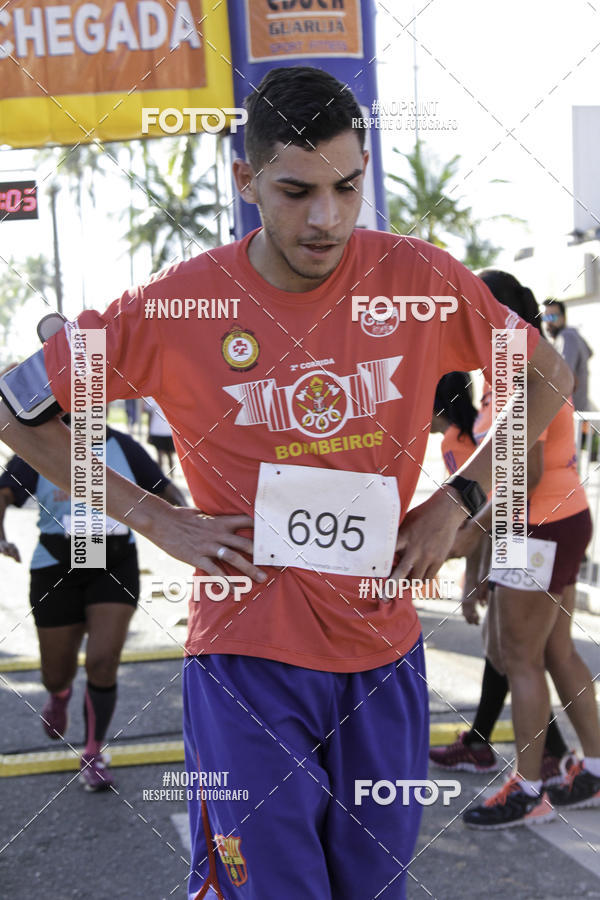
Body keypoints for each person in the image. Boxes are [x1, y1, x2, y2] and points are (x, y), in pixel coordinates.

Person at [0, 67, 573, 897]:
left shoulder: (418, 278)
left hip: (383, 655)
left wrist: (460, 501)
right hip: (246, 661)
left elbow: (546, 378)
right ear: (247, 181)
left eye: (347, 188)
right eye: (297, 190)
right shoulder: (174, 306)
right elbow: (18, 413)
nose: (327, 218)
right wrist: (159, 519)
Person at [450, 271, 600, 829]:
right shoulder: (510, 366)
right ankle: (595, 769)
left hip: (537, 525)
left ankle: (529, 787)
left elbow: (524, 472)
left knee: (521, 658)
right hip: (554, 521)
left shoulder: (515, 369)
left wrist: (474, 531)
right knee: (556, 652)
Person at [0, 417, 186, 791]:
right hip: (56, 565)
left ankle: (93, 751)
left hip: (113, 562)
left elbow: (167, 491)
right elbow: (5, 492)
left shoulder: (122, 446)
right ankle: (60, 693)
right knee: (56, 672)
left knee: (103, 661)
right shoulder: (44, 444)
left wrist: (186, 525)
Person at [429, 372, 571, 783]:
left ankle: (543, 758)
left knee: (513, 654)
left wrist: (473, 581)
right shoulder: (472, 428)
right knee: (508, 652)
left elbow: (480, 514)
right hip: (513, 536)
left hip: (515, 537)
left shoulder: (459, 440)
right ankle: (489, 744)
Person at [543, 298, 593, 411]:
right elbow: (589, 352)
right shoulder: (572, 335)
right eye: (545, 317)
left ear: (564, 318)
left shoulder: (567, 337)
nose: (548, 322)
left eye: (552, 317)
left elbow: (562, 378)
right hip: (579, 415)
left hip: (573, 417)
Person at [144, 396, 176, 471]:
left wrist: (148, 432)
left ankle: (164, 476)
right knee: (168, 455)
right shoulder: (170, 396)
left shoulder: (152, 397)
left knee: (161, 455)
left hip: (160, 430)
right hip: (164, 430)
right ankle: (169, 476)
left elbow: (149, 414)